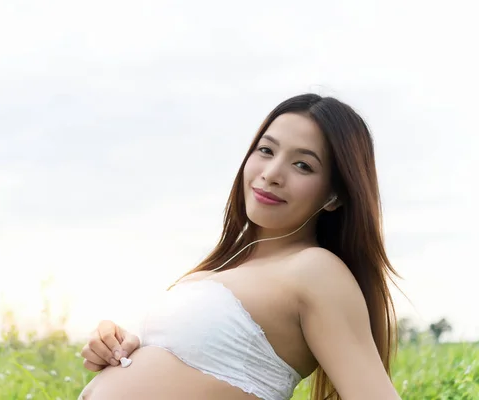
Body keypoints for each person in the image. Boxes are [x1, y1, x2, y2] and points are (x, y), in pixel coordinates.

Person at [78, 93, 403, 400]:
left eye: (303, 165)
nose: (272, 174)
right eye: (266, 150)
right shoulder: (220, 269)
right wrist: (117, 344)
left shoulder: (315, 270)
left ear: (335, 196)